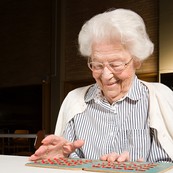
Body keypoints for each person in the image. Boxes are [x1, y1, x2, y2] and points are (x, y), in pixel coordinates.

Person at [30, 8, 173, 163]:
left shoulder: (160, 98)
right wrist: (60, 160)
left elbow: (166, 167)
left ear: (137, 60)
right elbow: (68, 164)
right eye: (97, 65)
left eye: (116, 64)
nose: (105, 76)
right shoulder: (74, 101)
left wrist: (136, 169)